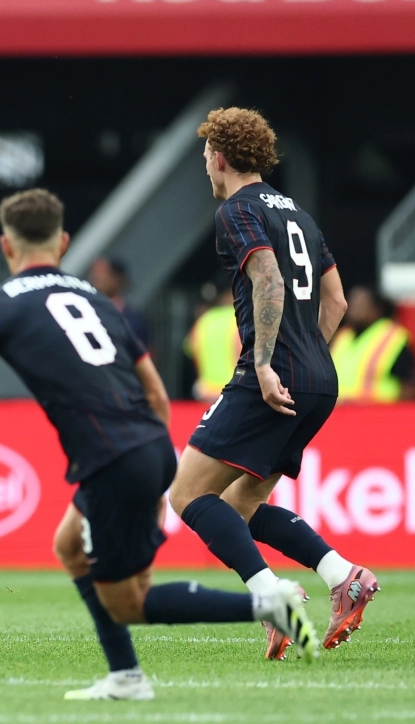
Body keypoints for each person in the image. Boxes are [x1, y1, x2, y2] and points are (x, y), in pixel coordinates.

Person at [0, 187, 318, 701]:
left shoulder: (1, 306)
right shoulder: (97, 299)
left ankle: (266, 605)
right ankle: (125, 675)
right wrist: (154, 475)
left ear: (6, 246)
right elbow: (153, 390)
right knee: (68, 545)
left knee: (130, 602)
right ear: (62, 243)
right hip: (146, 447)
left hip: (111, 458)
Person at [169, 107, 376, 661]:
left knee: (187, 493)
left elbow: (267, 276)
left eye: (205, 155)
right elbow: (336, 300)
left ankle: (272, 597)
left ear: (219, 156)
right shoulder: (300, 215)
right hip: (318, 378)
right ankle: (343, 575)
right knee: (238, 504)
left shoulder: (237, 209)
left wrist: (265, 363)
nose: (205, 167)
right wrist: (306, 357)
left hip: (271, 374)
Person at [331, 286, 414, 402]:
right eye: (351, 304)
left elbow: (408, 385)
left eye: (360, 306)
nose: (354, 310)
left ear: (376, 309)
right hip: (341, 409)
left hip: (378, 410)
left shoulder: (393, 337)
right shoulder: (342, 336)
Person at [186, 286, 240, 402]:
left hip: (205, 390)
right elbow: (241, 352)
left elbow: (193, 351)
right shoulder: (238, 319)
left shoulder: (203, 320)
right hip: (232, 388)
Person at [88, 256, 150, 351]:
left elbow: (145, 352)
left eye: (102, 273)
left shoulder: (133, 320)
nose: (95, 278)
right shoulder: (84, 311)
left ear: (116, 279)